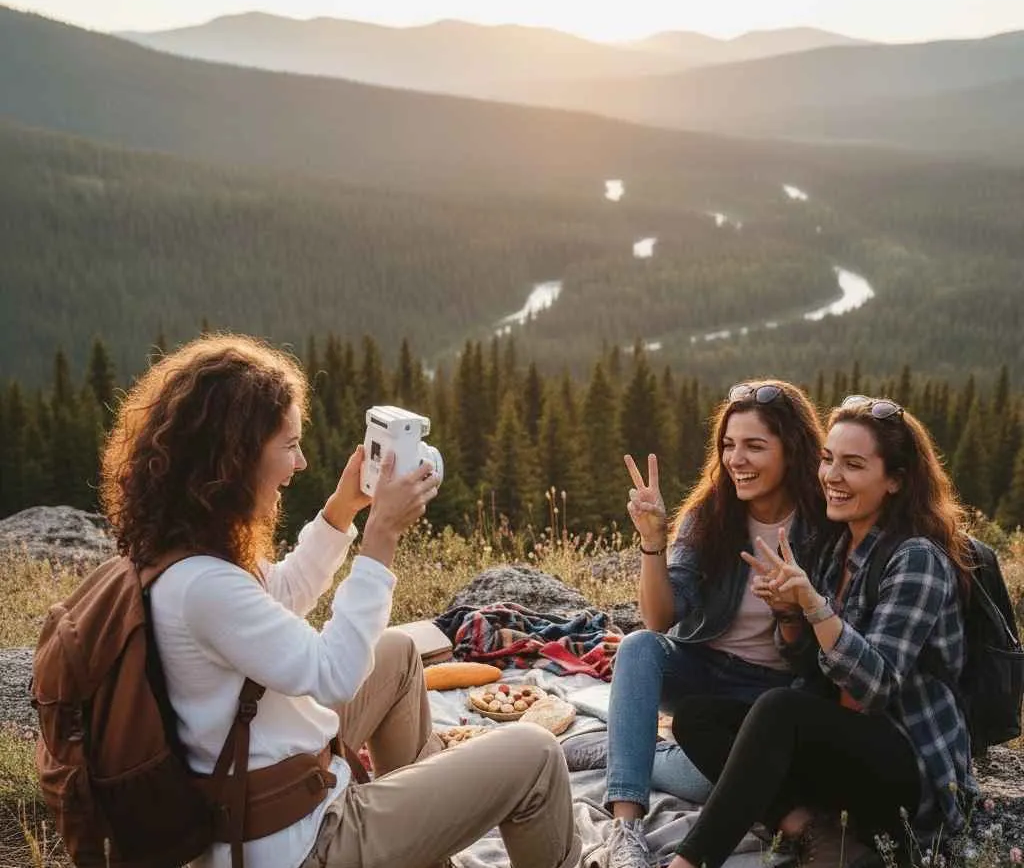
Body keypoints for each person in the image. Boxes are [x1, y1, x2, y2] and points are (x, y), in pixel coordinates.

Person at [99, 334, 582, 868]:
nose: (301, 462)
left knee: (397, 653)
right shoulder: (204, 586)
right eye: (289, 445)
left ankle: (424, 847)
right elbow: (335, 674)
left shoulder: (185, 551)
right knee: (535, 755)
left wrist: (342, 509)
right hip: (300, 842)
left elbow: (281, 594)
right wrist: (381, 538)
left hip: (264, 786)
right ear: (234, 458)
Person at [666, 395, 977, 868]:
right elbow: (809, 665)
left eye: (853, 465)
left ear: (895, 480)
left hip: (909, 767)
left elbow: (875, 687)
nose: (832, 475)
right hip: (843, 748)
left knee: (780, 709)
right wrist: (790, 616)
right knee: (696, 717)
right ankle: (815, 831)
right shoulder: (838, 548)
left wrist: (814, 605)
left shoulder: (916, 558)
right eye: (828, 459)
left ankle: (688, 863)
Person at [605, 380, 832, 868]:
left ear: (791, 451)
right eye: (728, 445)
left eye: (754, 446)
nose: (736, 460)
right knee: (638, 646)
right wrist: (653, 542)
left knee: (715, 784)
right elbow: (660, 618)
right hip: (702, 673)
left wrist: (790, 610)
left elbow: (818, 653)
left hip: (773, 696)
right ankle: (624, 830)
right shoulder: (710, 514)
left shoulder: (824, 526)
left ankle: (619, 751)